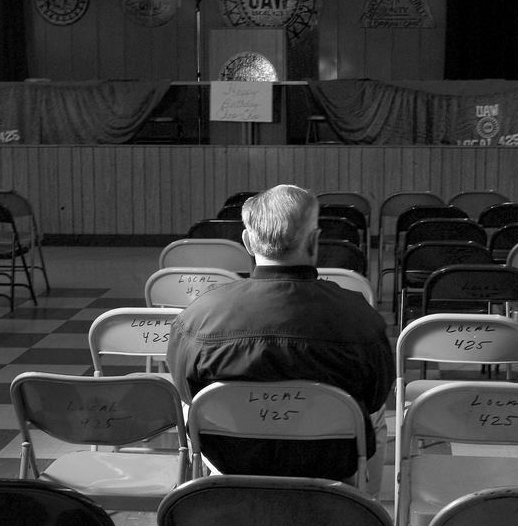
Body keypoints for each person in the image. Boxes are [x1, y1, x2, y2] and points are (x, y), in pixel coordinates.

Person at [168, 184, 394, 493]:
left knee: (193, 405)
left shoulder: (197, 318)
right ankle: (364, 512)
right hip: (330, 460)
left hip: (231, 458)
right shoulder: (361, 320)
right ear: (315, 241)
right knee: (376, 413)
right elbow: (377, 393)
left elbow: (185, 389)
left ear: (248, 242)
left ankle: (214, 498)